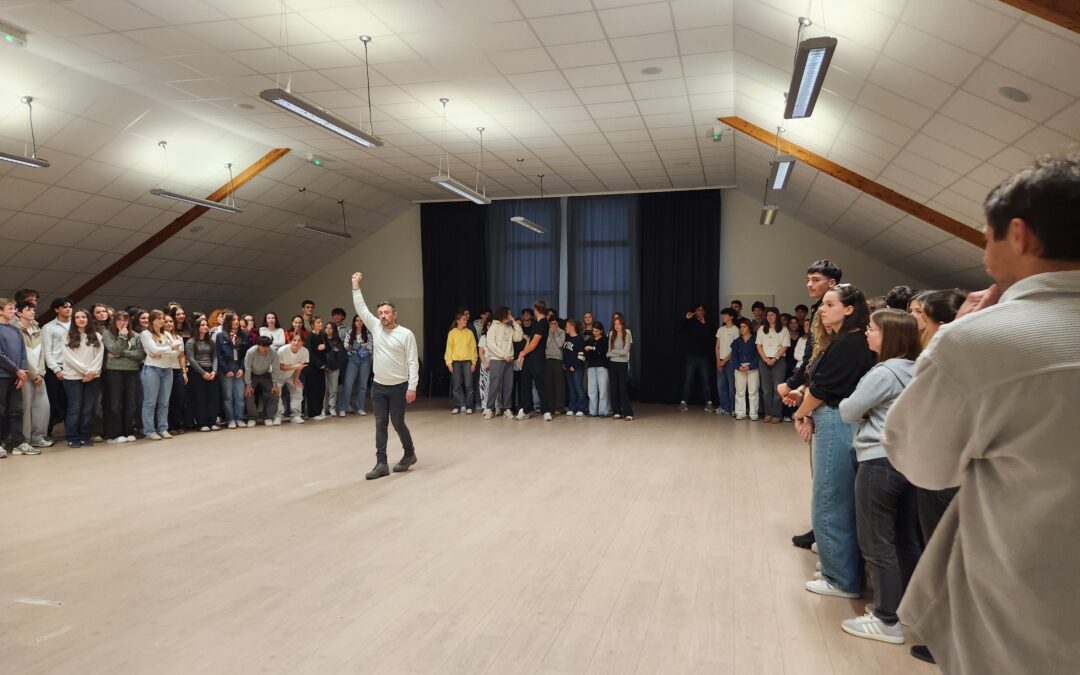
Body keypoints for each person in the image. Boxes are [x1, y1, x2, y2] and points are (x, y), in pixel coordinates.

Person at [883, 155, 1080, 674]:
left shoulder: (979, 341)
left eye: (985, 233)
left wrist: (954, 336)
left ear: (1018, 235)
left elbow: (919, 461)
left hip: (1020, 609)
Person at [838, 308, 922, 644]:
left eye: (872, 329)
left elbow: (848, 410)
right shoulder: (918, 368)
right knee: (905, 539)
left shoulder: (883, 372)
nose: (867, 334)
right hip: (908, 460)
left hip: (879, 460)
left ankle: (886, 620)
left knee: (876, 542)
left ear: (889, 335)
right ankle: (905, 608)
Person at [792, 284, 874, 599]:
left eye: (829, 304)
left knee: (830, 498)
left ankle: (839, 578)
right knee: (834, 495)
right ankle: (837, 565)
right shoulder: (842, 340)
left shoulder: (850, 343)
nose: (822, 309)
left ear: (849, 309)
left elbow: (822, 388)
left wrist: (801, 413)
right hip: (832, 418)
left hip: (836, 422)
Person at [780, 259, 843, 551]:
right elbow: (812, 356)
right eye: (808, 279)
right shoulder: (820, 311)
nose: (809, 284)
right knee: (820, 474)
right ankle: (820, 527)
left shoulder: (832, 316)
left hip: (828, 401)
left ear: (832, 283)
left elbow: (817, 359)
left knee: (827, 476)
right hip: (814, 391)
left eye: (816, 279)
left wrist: (795, 386)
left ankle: (826, 532)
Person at [351, 272, 419, 480]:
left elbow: (412, 362)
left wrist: (412, 386)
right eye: (380, 312)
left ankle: (409, 453)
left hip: (399, 387)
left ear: (394, 314)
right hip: (379, 387)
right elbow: (361, 308)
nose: (382, 315)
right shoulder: (375, 328)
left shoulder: (406, 334)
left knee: (397, 423)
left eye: (386, 312)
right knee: (380, 423)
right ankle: (381, 463)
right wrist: (355, 286)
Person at [61, 308, 104, 448]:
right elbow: (69, 358)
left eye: (83, 317)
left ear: (88, 319)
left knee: (87, 408)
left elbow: (99, 356)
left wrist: (92, 372)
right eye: (77, 317)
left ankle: (85, 435)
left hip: (93, 377)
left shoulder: (96, 335)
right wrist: (86, 371)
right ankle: (72, 437)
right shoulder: (67, 335)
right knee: (75, 408)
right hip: (73, 378)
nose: (81, 319)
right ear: (74, 320)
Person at [101, 310, 144, 444]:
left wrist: (123, 353)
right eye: (119, 320)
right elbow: (113, 349)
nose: (122, 322)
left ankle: (128, 431)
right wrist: (122, 336)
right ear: (114, 321)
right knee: (115, 404)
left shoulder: (136, 335)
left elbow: (140, 354)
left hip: (132, 371)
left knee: (130, 404)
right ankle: (115, 434)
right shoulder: (107, 333)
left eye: (125, 320)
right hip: (114, 371)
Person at [13, 301, 49, 453]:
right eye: (28, 309)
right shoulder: (15, 330)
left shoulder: (37, 328)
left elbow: (41, 353)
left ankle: (39, 437)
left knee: (43, 407)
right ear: (19, 313)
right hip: (25, 375)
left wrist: (40, 372)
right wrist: (33, 374)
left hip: (39, 375)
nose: (32, 312)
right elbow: (22, 356)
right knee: (26, 409)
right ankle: (26, 439)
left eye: (33, 309)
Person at [0, 297, 30, 457]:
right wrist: (16, 370)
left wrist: (23, 371)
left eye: (14, 309)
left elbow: (22, 353)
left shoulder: (15, 330)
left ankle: (20, 443)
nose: (14, 312)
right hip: (2, 376)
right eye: (10, 309)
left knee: (17, 411)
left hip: (17, 376)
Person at [41, 297, 72, 440]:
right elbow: (47, 351)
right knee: (53, 402)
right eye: (64, 307)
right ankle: (47, 433)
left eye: (70, 306)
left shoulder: (76, 324)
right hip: (56, 369)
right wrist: (56, 369)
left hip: (73, 368)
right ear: (56, 309)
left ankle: (71, 432)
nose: (68, 309)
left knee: (71, 403)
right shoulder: (48, 327)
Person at [483, 307, 521, 420]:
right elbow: (491, 344)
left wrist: (515, 323)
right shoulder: (493, 327)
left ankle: (507, 409)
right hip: (497, 359)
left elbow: (518, 338)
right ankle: (489, 408)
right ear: (503, 314)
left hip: (509, 360)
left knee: (508, 385)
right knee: (494, 385)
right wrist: (503, 355)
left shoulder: (509, 327)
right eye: (509, 314)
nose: (510, 316)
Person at [516, 301, 551, 421]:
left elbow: (535, 342)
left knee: (540, 385)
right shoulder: (535, 323)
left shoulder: (543, 323)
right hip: (528, 360)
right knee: (525, 385)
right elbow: (529, 341)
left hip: (538, 359)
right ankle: (525, 409)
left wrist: (524, 352)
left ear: (536, 309)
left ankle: (546, 411)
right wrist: (523, 354)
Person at [185, 318, 220, 432]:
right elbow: (191, 359)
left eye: (206, 325)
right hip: (197, 372)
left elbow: (214, 357)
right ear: (197, 327)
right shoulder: (191, 342)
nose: (206, 327)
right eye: (202, 325)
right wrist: (203, 373)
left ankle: (212, 421)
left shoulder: (211, 341)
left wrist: (214, 370)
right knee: (200, 398)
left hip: (211, 370)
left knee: (213, 397)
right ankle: (202, 422)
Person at [756, 307, 790, 424]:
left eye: (772, 315)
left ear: (777, 316)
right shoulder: (761, 329)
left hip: (779, 361)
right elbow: (759, 346)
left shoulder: (784, 330)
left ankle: (776, 414)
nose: (770, 317)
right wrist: (765, 358)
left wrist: (774, 358)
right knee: (766, 390)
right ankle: (768, 413)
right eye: (768, 315)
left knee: (777, 390)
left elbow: (784, 346)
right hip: (764, 361)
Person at [678, 304, 715, 412]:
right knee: (688, 380)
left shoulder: (708, 323)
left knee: (705, 380)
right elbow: (680, 329)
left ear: (705, 312)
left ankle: (708, 403)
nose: (700, 312)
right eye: (698, 310)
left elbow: (711, 337)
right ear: (695, 312)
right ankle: (683, 402)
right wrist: (686, 318)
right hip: (691, 356)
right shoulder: (690, 322)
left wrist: (704, 324)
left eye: (702, 310)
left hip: (704, 356)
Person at [215, 313, 247, 429]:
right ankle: (230, 419)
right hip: (226, 368)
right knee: (228, 396)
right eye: (234, 319)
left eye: (238, 319)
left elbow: (245, 355)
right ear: (228, 321)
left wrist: (242, 368)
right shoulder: (220, 336)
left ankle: (239, 418)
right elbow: (219, 355)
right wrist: (226, 369)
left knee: (239, 396)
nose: (236, 321)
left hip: (238, 367)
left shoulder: (243, 335)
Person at [244, 335, 280, 427]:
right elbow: (247, 368)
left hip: (265, 374)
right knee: (249, 394)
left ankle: (268, 417)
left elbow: (276, 369)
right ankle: (252, 418)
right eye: (263, 346)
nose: (266, 349)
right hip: (252, 374)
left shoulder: (273, 353)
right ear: (258, 345)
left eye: (268, 346)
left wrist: (275, 384)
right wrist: (248, 385)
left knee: (274, 393)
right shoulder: (251, 352)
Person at [339, 315, 372, 416]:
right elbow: (346, 346)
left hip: (365, 360)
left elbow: (370, 346)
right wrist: (361, 345)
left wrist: (356, 346)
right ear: (354, 322)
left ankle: (360, 408)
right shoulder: (349, 333)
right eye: (357, 320)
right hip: (352, 359)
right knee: (348, 384)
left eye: (361, 321)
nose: (359, 322)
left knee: (362, 385)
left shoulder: (368, 333)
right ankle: (343, 408)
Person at [445, 312, 477, 414]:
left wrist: (474, 362)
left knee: (469, 385)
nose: (465, 321)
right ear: (458, 321)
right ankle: (457, 405)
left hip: (467, 361)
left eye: (466, 319)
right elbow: (449, 349)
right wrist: (449, 363)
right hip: (456, 362)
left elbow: (473, 348)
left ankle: (469, 406)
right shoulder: (452, 333)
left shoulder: (469, 333)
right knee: (456, 386)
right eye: (463, 319)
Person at [162, 314, 188, 435]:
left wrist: (184, 371)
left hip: (177, 370)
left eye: (171, 322)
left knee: (179, 398)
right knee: (168, 399)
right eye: (166, 322)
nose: (169, 324)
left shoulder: (178, 337)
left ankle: (178, 423)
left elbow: (181, 355)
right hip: (165, 369)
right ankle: (169, 425)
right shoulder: (160, 337)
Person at [730, 318, 759, 421]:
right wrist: (738, 366)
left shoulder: (756, 340)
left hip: (753, 368)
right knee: (740, 391)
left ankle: (753, 413)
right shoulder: (736, 342)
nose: (742, 329)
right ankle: (740, 412)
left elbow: (758, 356)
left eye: (744, 326)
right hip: (739, 368)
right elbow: (734, 357)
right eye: (740, 327)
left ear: (749, 328)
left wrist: (750, 366)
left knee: (753, 391)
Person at [276, 332, 309, 424]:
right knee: (277, 393)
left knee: (298, 388)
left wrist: (296, 380)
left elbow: (300, 368)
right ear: (290, 340)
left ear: (302, 342)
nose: (296, 343)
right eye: (294, 340)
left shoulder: (304, 351)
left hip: (291, 373)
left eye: (299, 341)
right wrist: (295, 367)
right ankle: (278, 415)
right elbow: (281, 367)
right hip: (278, 375)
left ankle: (296, 415)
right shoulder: (282, 350)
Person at [607, 314, 633, 421]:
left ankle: (628, 413)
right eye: (615, 324)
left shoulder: (627, 334)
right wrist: (616, 352)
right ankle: (617, 412)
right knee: (613, 389)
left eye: (619, 324)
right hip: (612, 364)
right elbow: (608, 353)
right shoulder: (611, 333)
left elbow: (625, 351)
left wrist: (614, 351)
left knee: (622, 388)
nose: (617, 326)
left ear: (623, 324)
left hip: (622, 364)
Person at [714, 308, 739, 416]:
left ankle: (733, 408)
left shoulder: (735, 330)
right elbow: (717, 346)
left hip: (730, 362)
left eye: (725, 315)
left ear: (731, 317)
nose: (723, 317)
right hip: (720, 361)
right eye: (723, 315)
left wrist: (725, 360)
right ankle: (725, 408)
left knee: (732, 387)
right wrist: (718, 360)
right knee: (721, 386)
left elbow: (735, 349)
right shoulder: (721, 329)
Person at [317, 321, 345, 417]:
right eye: (326, 328)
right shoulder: (321, 340)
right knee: (324, 389)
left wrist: (333, 367)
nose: (328, 330)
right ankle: (323, 409)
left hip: (334, 368)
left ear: (334, 330)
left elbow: (341, 356)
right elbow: (318, 355)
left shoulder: (338, 341)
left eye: (330, 328)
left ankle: (332, 408)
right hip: (323, 368)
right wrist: (324, 365)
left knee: (333, 389)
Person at [562, 319, 587, 417]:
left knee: (578, 388)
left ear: (572, 327)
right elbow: (565, 353)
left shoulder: (579, 339)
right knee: (571, 388)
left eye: (567, 326)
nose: (565, 328)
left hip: (577, 368)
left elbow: (582, 355)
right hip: (568, 367)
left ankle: (581, 408)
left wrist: (574, 366)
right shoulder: (567, 338)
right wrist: (565, 363)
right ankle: (572, 407)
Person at [303, 317, 326, 419]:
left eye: (321, 322)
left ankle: (319, 411)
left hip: (322, 367)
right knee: (313, 390)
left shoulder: (322, 335)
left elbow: (326, 350)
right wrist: (318, 364)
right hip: (312, 367)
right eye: (318, 322)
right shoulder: (310, 336)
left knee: (321, 389)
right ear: (313, 324)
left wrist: (325, 364)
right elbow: (309, 353)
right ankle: (313, 413)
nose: (321, 324)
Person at [584, 322, 609, 417]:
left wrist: (593, 348)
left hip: (602, 366)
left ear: (601, 331)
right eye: (593, 331)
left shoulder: (605, 340)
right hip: (591, 366)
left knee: (603, 389)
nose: (595, 333)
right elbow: (586, 354)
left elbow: (603, 351)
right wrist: (587, 350)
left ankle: (603, 411)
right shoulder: (589, 340)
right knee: (591, 390)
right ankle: (592, 411)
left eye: (597, 331)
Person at [543, 315, 567, 414]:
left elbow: (560, 344)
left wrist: (555, 333)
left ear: (558, 324)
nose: (553, 325)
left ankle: (559, 407)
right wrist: (550, 334)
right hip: (548, 359)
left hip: (558, 359)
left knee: (559, 385)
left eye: (555, 323)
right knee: (549, 384)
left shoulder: (562, 332)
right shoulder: (546, 332)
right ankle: (550, 406)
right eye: (551, 323)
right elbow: (546, 345)